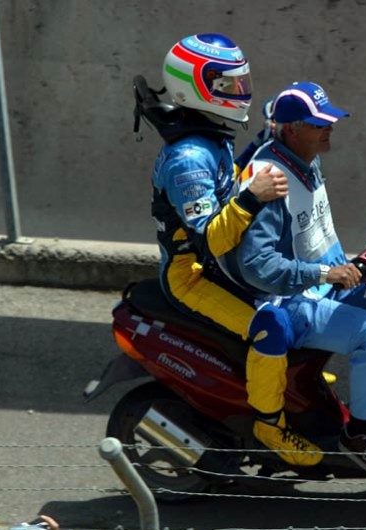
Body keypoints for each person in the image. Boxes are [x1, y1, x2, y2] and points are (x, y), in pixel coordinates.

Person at [219, 81, 366, 476]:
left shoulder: (306, 158)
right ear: (291, 129)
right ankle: (358, 433)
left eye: (331, 121)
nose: (329, 129)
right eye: (318, 123)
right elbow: (258, 266)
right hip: (289, 303)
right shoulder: (272, 181)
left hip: (325, 285)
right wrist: (325, 273)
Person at [151, 33, 322, 466]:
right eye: (228, 85)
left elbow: (232, 176)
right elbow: (210, 238)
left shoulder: (212, 134)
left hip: (223, 264)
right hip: (193, 275)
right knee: (271, 325)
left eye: (240, 82)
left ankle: (284, 379)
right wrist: (253, 196)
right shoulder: (187, 160)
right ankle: (269, 425)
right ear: (194, 86)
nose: (240, 92)